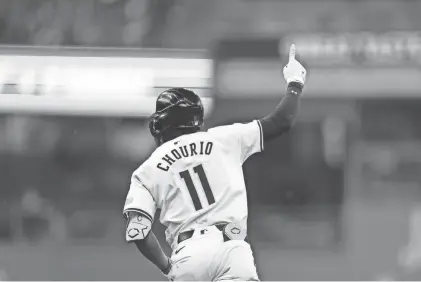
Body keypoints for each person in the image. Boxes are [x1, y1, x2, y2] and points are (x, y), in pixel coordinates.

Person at [122, 44, 307, 281]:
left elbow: (138, 231)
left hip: (189, 253)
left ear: (163, 122)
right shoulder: (225, 138)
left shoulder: (147, 170)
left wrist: (167, 267)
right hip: (232, 248)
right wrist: (295, 82)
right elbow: (282, 121)